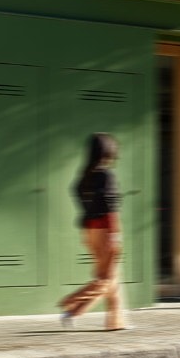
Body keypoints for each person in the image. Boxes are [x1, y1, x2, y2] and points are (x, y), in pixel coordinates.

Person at [59, 133, 130, 330]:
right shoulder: (106, 175)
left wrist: (88, 212)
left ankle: (116, 322)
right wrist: (115, 234)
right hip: (106, 229)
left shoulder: (85, 177)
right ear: (108, 152)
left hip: (90, 231)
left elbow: (76, 192)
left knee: (112, 277)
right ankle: (70, 306)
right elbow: (111, 207)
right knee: (106, 280)